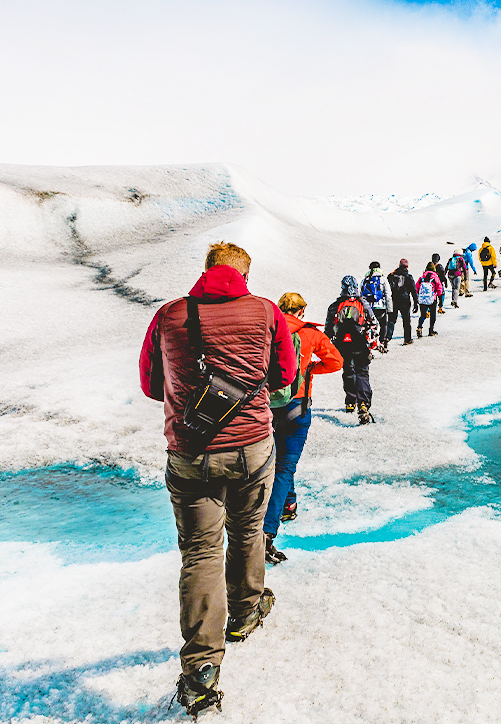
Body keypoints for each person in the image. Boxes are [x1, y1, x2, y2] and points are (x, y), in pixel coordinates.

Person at [139, 241, 296, 717]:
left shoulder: (169, 315)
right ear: (245, 274)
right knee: (247, 530)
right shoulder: (267, 312)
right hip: (252, 447)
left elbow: (150, 384)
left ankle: (201, 672)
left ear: (207, 270)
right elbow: (285, 376)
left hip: (190, 453)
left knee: (201, 552)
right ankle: (246, 611)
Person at [263, 292, 341, 566]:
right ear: (302, 311)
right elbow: (336, 362)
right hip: (297, 408)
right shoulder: (311, 334)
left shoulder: (268, 329)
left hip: (266, 407)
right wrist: (308, 372)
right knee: (284, 467)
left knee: (278, 462)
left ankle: (289, 504)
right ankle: (267, 532)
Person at [325, 276, 375, 424]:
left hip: (342, 343)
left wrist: (329, 342)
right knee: (362, 372)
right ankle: (364, 404)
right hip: (360, 343)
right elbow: (373, 322)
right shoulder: (362, 303)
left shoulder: (336, 305)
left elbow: (328, 327)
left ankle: (350, 402)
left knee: (348, 371)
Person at [360, 262, 390, 353]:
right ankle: (381, 343)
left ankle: (369, 347)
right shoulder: (382, 279)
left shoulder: (365, 279)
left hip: (367, 307)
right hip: (380, 306)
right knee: (383, 324)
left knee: (369, 326)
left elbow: (360, 294)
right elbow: (388, 294)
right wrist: (390, 308)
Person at [389, 259, 416, 344]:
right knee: (406, 320)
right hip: (405, 300)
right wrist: (416, 303)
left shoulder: (391, 275)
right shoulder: (408, 276)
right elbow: (413, 291)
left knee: (392, 320)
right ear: (407, 266)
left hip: (394, 299)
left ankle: (387, 337)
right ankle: (407, 339)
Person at [415, 263, 443, 336]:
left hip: (422, 299)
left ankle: (419, 327)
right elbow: (439, 287)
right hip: (432, 298)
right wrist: (439, 296)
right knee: (432, 315)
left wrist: (419, 295)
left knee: (423, 315)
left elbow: (417, 287)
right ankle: (431, 331)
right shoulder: (435, 277)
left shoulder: (422, 277)